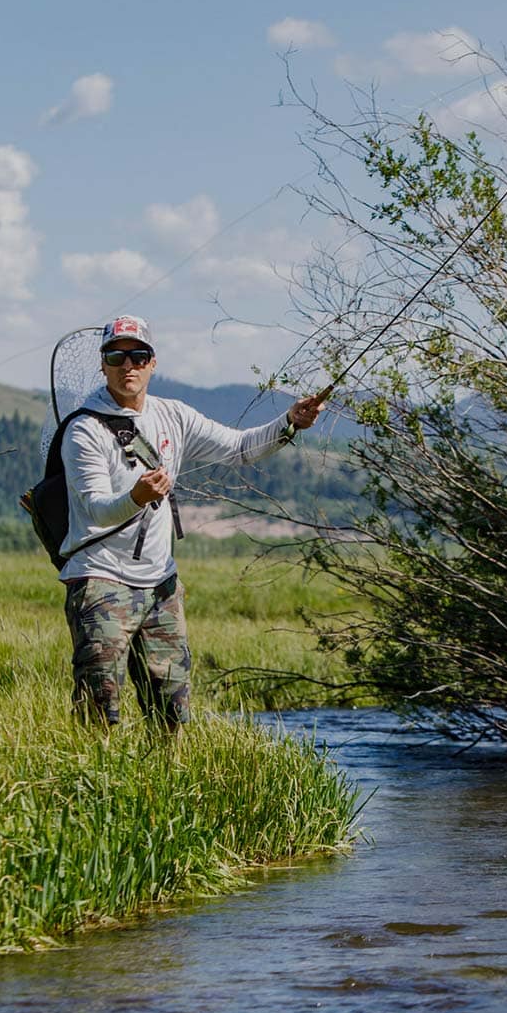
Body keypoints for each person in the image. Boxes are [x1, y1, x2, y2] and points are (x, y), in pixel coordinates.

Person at [58, 314, 323, 735]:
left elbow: (239, 448)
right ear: (103, 363)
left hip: (161, 582)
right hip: (100, 578)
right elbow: (95, 509)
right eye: (117, 356)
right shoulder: (83, 429)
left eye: (138, 355)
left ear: (152, 363)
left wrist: (289, 422)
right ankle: (93, 785)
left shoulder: (174, 415)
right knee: (99, 704)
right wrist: (136, 497)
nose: (128, 365)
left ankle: (165, 784)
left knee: (171, 710)